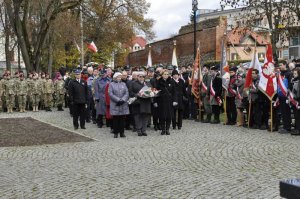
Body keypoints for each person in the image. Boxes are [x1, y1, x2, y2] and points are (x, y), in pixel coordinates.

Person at [129, 72, 152, 136]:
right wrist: (137, 94)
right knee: (138, 116)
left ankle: (144, 130)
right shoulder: (133, 83)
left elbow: (151, 90)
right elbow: (130, 92)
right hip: (137, 102)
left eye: (143, 77)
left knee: (145, 116)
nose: (141, 78)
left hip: (146, 102)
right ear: (137, 77)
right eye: (140, 76)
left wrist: (151, 93)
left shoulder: (147, 83)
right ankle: (139, 130)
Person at [108, 72, 130, 138]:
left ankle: (122, 132)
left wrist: (123, 99)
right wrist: (118, 100)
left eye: (120, 77)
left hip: (123, 104)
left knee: (122, 119)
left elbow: (127, 93)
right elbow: (110, 93)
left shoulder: (124, 84)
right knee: (115, 119)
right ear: (115, 77)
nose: (119, 78)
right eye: (118, 77)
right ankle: (115, 133)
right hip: (115, 104)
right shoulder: (111, 84)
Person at [156, 70, 177, 135]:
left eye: (167, 74)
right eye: (164, 74)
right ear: (162, 75)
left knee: (169, 116)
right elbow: (156, 92)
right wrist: (155, 101)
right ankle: (163, 129)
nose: (166, 75)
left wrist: (175, 100)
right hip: (161, 101)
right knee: (162, 116)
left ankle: (167, 129)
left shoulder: (171, 81)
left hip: (169, 101)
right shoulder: (159, 82)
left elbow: (174, 92)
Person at [278, 61, 293, 134]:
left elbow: (290, 85)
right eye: (279, 65)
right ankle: (285, 126)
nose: (279, 66)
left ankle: (288, 127)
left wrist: (288, 95)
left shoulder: (289, 73)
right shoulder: (281, 74)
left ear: (285, 65)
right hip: (281, 96)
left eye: (281, 65)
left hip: (286, 96)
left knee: (287, 112)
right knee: (283, 112)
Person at [291, 68, 300, 135]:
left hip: (298, 100)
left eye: (295, 74)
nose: (294, 75)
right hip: (294, 100)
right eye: (293, 73)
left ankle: (298, 129)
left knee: (298, 115)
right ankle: (296, 128)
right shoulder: (293, 80)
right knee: (296, 115)